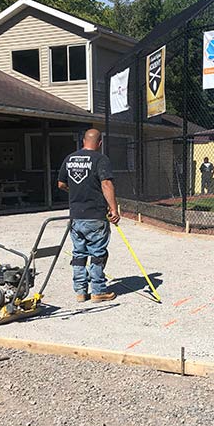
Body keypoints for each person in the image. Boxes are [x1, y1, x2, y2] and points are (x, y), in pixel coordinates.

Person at [58, 129, 120, 303]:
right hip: (95, 214)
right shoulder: (101, 159)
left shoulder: (70, 159)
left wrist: (77, 191)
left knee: (79, 253)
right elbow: (106, 183)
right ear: (100, 143)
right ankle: (98, 291)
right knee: (98, 253)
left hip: (76, 215)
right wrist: (114, 209)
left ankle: (80, 291)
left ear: (83, 141)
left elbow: (61, 184)